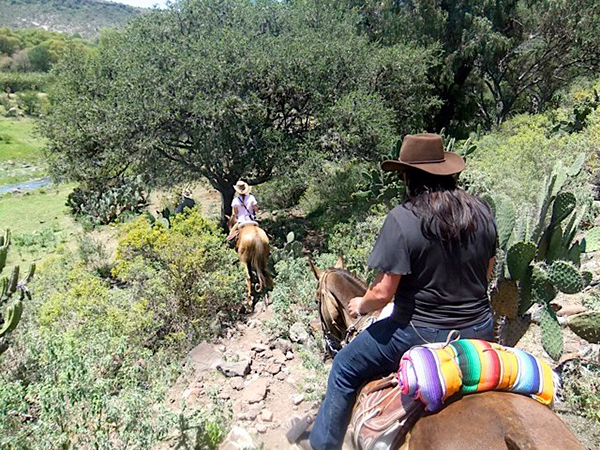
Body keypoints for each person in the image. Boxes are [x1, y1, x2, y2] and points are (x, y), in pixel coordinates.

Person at [308, 133, 497, 450]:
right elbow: (488, 271)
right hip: (480, 329)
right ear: (448, 172)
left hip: (417, 333)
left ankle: (323, 445)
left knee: (343, 367)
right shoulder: (480, 210)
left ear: (408, 177)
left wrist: (360, 305)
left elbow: (383, 293)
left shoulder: (403, 218)